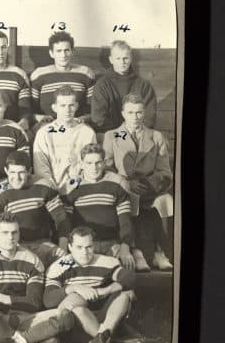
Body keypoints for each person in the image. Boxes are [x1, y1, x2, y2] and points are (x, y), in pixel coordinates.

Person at [0, 213, 74, 343]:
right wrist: (6, 311)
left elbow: (35, 303)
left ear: (19, 234)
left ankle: (11, 341)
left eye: (14, 232)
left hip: (26, 318)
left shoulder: (32, 260)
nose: (10, 237)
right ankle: (32, 339)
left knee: (66, 316)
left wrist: (6, 299)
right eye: (5, 232)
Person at [102, 93, 174, 270]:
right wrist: (127, 183)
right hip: (125, 188)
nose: (135, 117)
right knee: (131, 201)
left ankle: (160, 252)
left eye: (139, 112)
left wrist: (148, 183)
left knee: (164, 201)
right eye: (130, 112)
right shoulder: (112, 136)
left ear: (144, 113)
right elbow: (108, 168)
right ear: (123, 113)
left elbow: (164, 171)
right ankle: (138, 252)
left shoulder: (155, 136)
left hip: (151, 187)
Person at [44, 225, 137, 343]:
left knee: (125, 294)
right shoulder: (62, 265)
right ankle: (108, 340)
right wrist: (73, 288)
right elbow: (48, 299)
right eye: (79, 247)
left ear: (94, 246)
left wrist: (105, 290)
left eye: (89, 247)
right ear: (70, 247)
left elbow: (129, 278)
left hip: (105, 315)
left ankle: (104, 335)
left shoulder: (105, 261)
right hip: (78, 318)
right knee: (74, 300)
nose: (85, 252)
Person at [61, 143, 136, 272]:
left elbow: (125, 220)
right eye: (89, 163)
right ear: (82, 164)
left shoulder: (117, 182)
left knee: (124, 271)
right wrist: (68, 248)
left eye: (98, 162)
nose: (94, 168)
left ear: (104, 162)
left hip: (112, 243)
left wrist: (125, 246)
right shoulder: (71, 186)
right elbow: (66, 221)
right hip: (84, 245)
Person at [0, 151, 69, 266]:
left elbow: (61, 219)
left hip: (42, 244)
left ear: (29, 171)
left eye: (21, 172)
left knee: (65, 263)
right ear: (6, 171)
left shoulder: (43, 186)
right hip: (14, 247)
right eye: (12, 172)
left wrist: (63, 248)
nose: (16, 178)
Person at [32, 86, 97, 188]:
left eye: (71, 105)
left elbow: (91, 165)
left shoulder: (87, 133)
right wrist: (53, 191)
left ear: (76, 106)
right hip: (53, 190)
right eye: (63, 105)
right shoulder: (43, 134)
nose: (67, 110)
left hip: (82, 188)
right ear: (54, 107)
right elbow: (41, 169)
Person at [92, 40, 157, 134]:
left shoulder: (144, 85)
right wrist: (120, 134)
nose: (122, 62)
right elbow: (99, 117)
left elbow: (149, 116)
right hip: (112, 134)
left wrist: (135, 132)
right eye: (118, 58)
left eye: (125, 58)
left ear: (131, 58)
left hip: (138, 134)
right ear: (111, 59)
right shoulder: (102, 84)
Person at [29, 31, 95, 121]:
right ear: (51, 53)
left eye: (66, 50)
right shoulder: (39, 75)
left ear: (72, 51)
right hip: (47, 125)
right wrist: (40, 118)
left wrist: (83, 119)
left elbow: (93, 109)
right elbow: (30, 110)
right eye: (59, 51)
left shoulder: (85, 73)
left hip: (76, 124)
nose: (63, 55)